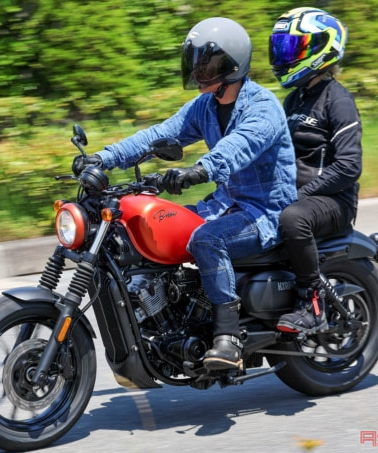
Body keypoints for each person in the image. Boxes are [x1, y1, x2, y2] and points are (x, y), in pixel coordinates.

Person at [73, 17, 297, 370]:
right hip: (225, 205)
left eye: (205, 64)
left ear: (230, 65)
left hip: (264, 212)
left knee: (207, 241)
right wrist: (102, 158)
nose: (197, 71)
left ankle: (228, 336)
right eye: (194, 62)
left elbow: (237, 148)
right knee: (153, 229)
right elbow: (158, 135)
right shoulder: (204, 107)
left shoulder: (262, 107)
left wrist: (198, 171)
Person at [269, 7, 363, 334]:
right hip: (297, 196)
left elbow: (350, 166)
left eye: (292, 48)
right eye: (281, 48)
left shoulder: (337, 99)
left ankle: (312, 304)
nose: (283, 56)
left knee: (293, 218)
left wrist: (300, 196)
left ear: (321, 48)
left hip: (332, 200)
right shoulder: (294, 99)